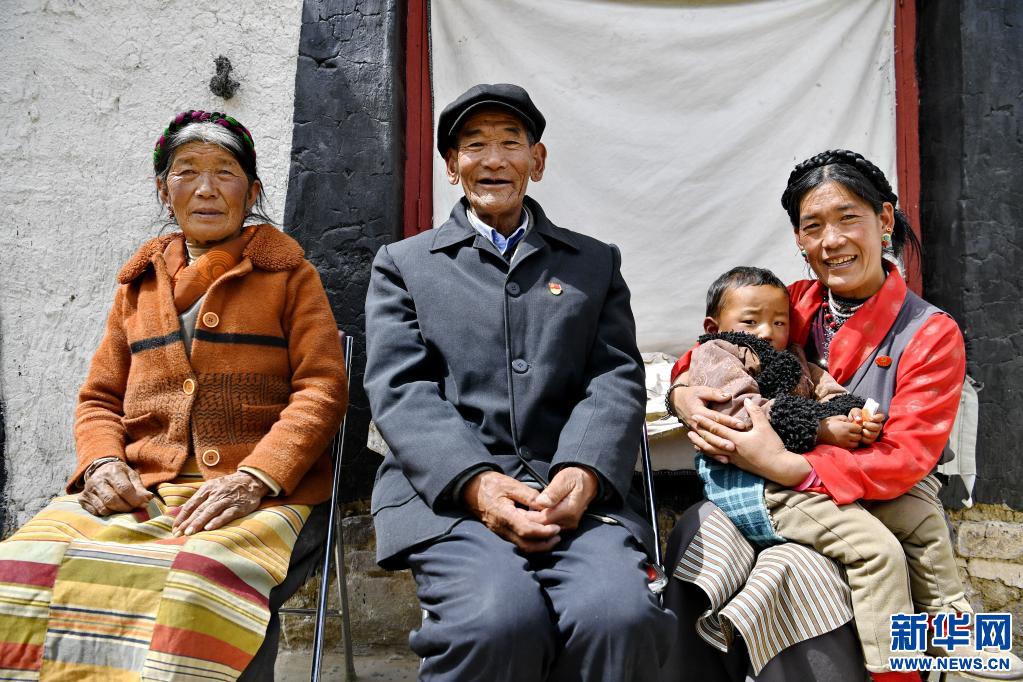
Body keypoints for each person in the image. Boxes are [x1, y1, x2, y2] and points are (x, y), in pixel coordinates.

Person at [0, 110, 346, 680]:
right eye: (187, 172)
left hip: (260, 492)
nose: (206, 188)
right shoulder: (139, 285)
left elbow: (322, 389)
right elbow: (100, 398)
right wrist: (102, 463)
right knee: (20, 566)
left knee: (199, 584)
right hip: (145, 486)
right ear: (164, 191)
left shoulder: (288, 276)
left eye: (225, 172)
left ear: (252, 191)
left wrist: (254, 477)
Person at [663, 149, 1022, 682]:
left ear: (884, 219)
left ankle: (934, 657)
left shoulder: (931, 331)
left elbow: (906, 458)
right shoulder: (794, 304)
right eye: (813, 227)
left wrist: (794, 468)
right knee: (698, 531)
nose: (831, 241)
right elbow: (719, 349)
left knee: (842, 559)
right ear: (799, 239)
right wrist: (681, 395)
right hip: (776, 482)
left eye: (848, 217)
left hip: (879, 486)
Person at [364, 83, 675, 682]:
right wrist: (478, 485)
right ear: (451, 166)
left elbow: (615, 376)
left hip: (572, 496)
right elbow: (400, 390)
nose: (494, 160)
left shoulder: (593, 263)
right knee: (497, 622)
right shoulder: (404, 265)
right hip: (450, 499)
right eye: (474, 145)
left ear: (538, 160)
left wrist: (583, 471)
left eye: (511, 143)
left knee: (619, 616)